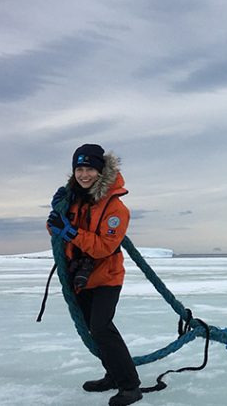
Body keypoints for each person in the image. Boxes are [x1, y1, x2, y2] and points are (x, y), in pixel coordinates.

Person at [47, 144, 142, 406]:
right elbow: (55, 227)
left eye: (89, 168)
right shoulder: (73, 199)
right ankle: (113, 374)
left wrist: (71, 233)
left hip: (106, 277)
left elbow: (104, 247)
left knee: (102, 328)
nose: (84, 174)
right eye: (79, 168)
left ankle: (130, 386)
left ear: (101, 171)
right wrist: (57, 214)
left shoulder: (116, 209)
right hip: (81, 276)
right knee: (94, 329)